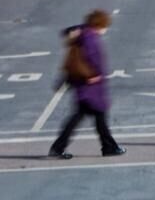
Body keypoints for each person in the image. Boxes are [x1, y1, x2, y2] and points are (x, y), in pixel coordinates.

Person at [49, 9, 125, 160]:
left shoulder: (83, 34)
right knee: (93, 117)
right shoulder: (90, 38)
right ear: (100, 24)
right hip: (91, 85)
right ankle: (108, 147)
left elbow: (72, 32)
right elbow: (93, 59)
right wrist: (97, 75)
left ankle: (108, 146)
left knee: (89, 117)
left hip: (83, 85)